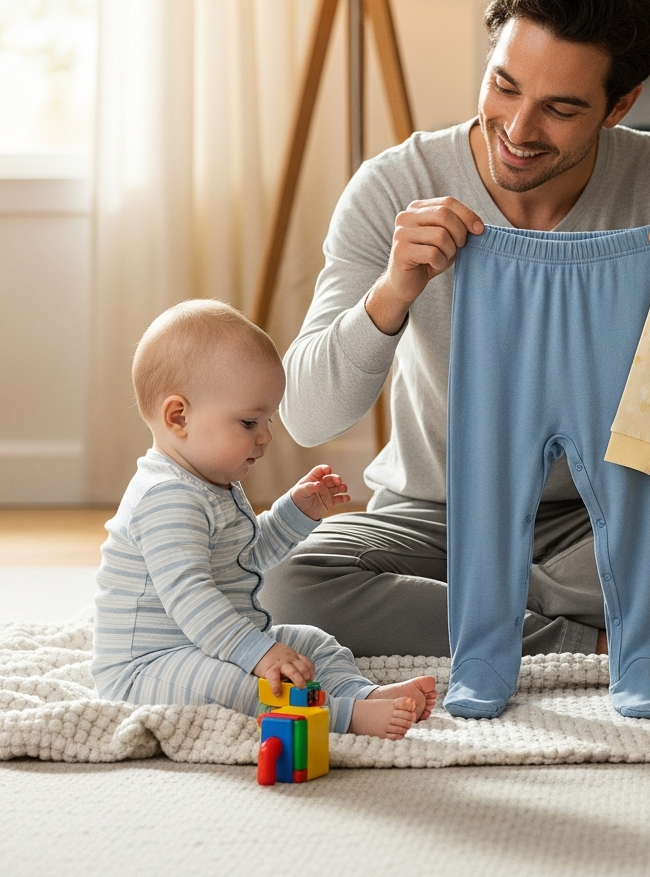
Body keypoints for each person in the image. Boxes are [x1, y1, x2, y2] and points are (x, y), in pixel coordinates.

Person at [261, 0, 650, 659]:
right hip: (436, 518)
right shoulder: (394, 186)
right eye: (504, 86)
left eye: (560, 108)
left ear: (620, 106)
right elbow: (307, 416)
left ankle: (508, 608)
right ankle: (604, 629)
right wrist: (392, 293)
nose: (519, 130)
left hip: (610, 517)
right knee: (286, 585)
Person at [91, 299, 437, 739]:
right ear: (179, 417)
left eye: (267, 420)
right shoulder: (166, 497)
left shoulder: (213, 483)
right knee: (239, 685)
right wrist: (258, 653)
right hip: (148, 667)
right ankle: (342, 717)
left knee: (312, 642)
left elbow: (247, 559)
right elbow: (192, 598)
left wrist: (295, 513)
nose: (266, 436)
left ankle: (360, 694)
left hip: (208, 645)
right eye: (249, 422)